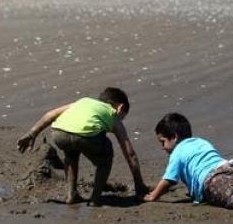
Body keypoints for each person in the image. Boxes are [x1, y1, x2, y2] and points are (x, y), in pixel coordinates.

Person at [17, 87, 146, 205]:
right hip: (86, 135)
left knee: (71, 155)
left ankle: (71, 194)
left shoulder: (83, 102)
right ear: (120, 108)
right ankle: (95, 198)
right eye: (123, 117)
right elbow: (130, 153)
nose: (121, 120)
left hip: (59, 133)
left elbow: (50, 115)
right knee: (106, 157)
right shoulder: (112, 114)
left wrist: (32, 133)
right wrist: (139, 184)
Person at [143, 113, 233, 218]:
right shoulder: (201, 141)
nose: (163, 147)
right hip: (231, 167)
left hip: (212, 179)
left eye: (163, 142)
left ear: (174, 137)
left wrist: (153, 196)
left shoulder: (177, 152)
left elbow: (169, 180)